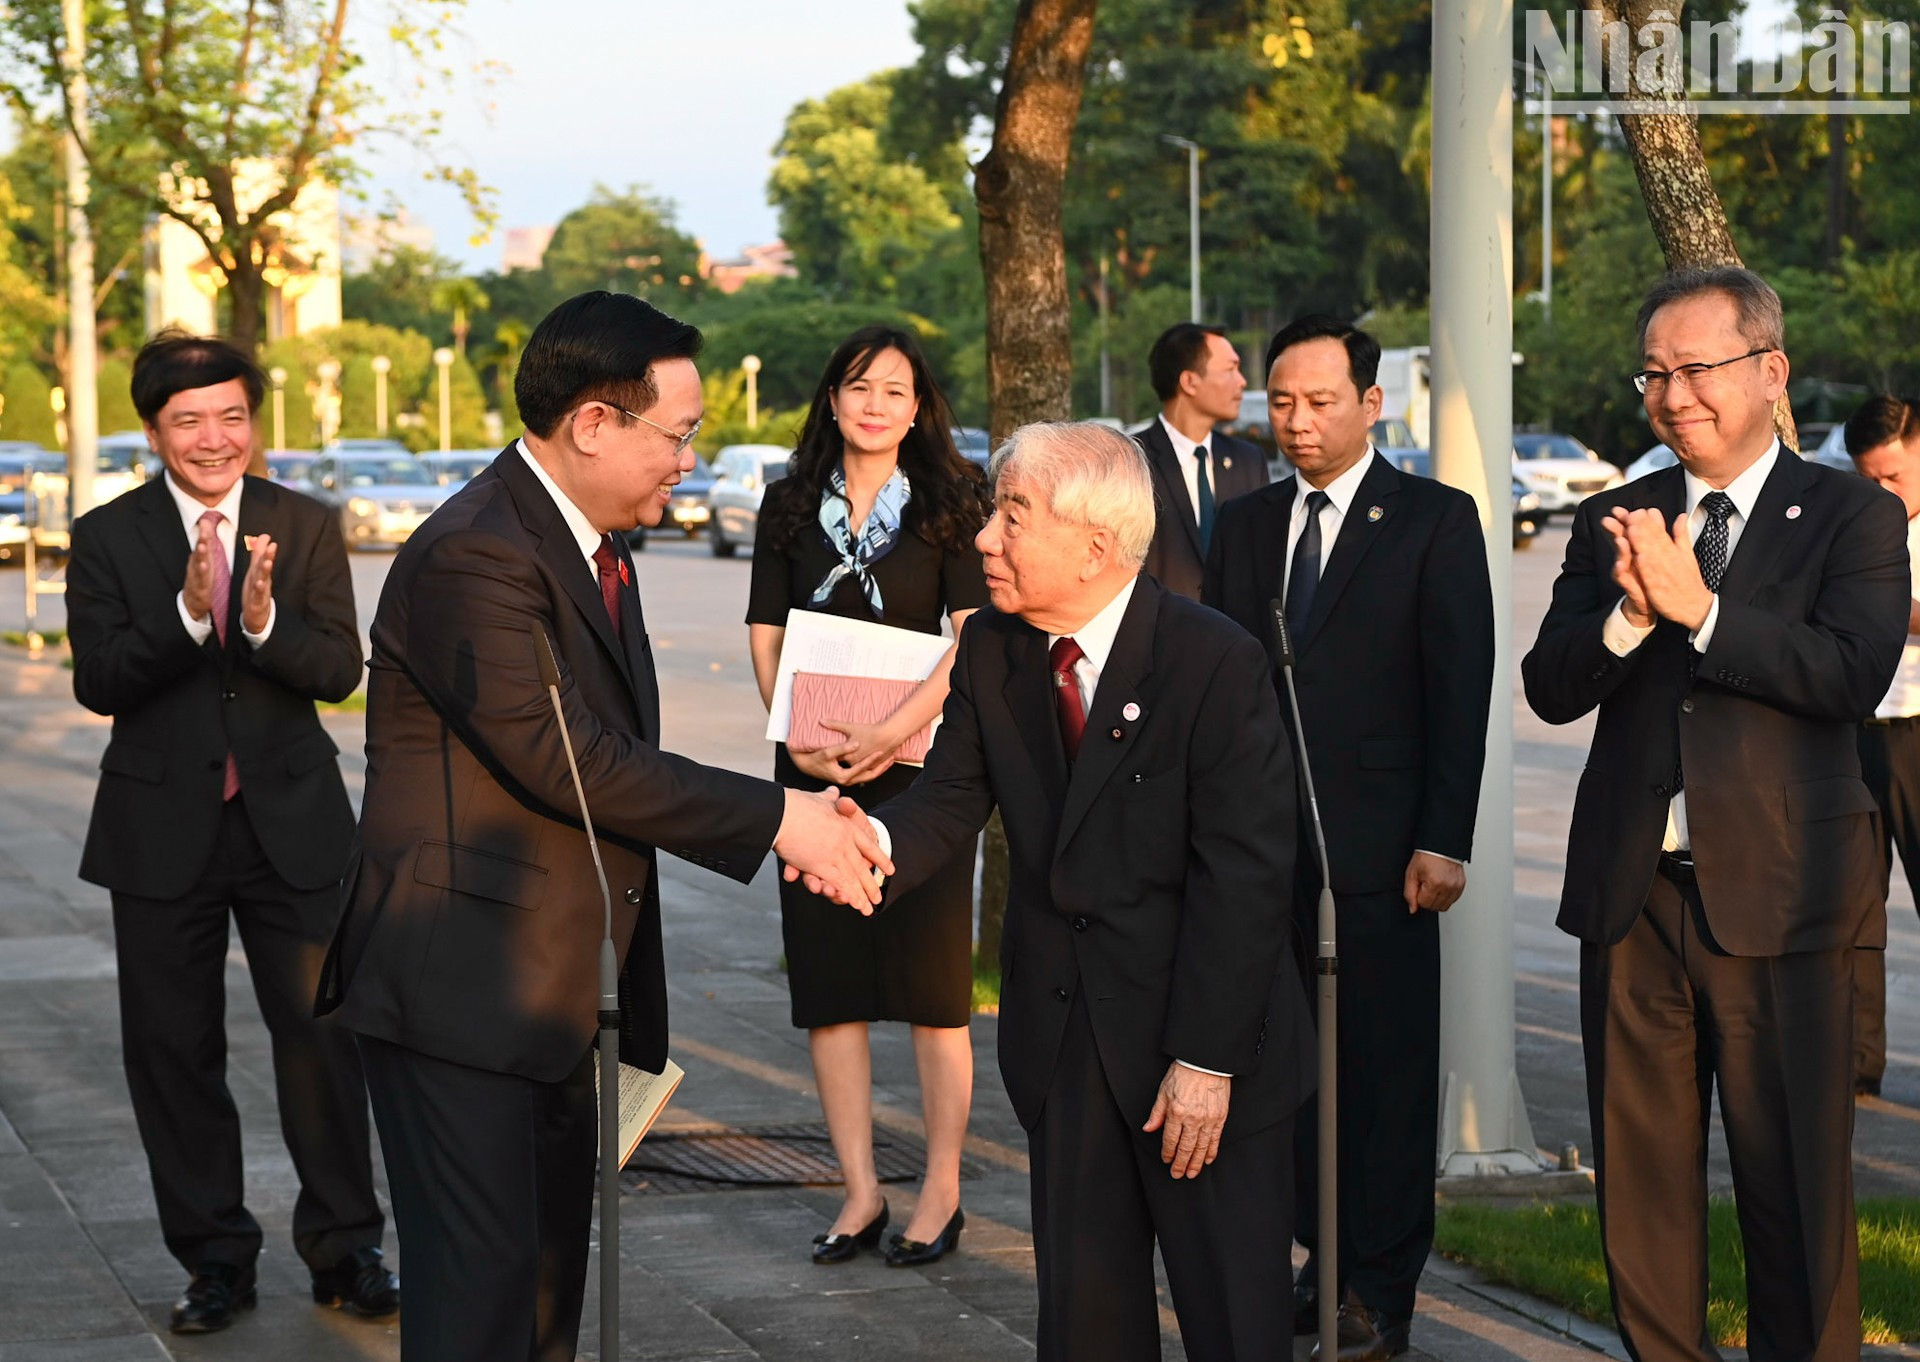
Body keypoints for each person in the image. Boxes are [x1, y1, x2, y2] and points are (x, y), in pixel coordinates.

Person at [315, 291, 890, 1362]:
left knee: (542, 1307)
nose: (688, 460)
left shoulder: (589, 544)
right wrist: (782, 823)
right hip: (463, 1001)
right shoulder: (475, 556)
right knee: (480, 1312)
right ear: (593, 423)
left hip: (554, 995)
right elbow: (572, 760)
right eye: (677, 434)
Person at [836, 420, 1315, 1362]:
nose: (984, 540)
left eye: (1012, 516)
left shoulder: (1213, 660)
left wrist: (1206, 1061)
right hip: (1067, 1043)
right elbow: (949, 799)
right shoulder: (992, 652)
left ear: (1097, 545)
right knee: (1085, 1328)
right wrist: (869, 842)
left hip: (1203, 1047)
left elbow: (1248, 877)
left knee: (1236, 1324)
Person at [1522, 267, 1909, 1362]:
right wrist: (1631, 621)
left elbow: (1847, 675)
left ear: (1769, 371)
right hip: (1634, 896)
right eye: (1654, 373)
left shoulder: (1854, 516)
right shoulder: (1613, 520)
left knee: (1795, 1188)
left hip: (1785, 900)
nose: (1672, 394)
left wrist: (1701, 611)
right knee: (1641, 1196)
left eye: (1696, 368)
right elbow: (1552, 685)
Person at [66, 331, 397, 1335]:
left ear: (254, 420)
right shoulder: (108, 534)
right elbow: (99, 680)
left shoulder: (304, 524)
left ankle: (348, 1250)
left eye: (232, 417)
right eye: (189, 420)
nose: (215, 438)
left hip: (292, 826)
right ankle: (214, 1259)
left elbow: (339, 667)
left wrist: (257, 622)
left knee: (323, 1043)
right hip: (160, 826)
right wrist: (183, 611)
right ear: (156, 430)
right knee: (172, 1051)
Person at [1202, 315, 1495, 1362]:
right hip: (1260, 856)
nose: (1296, 422)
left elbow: (1460, 693)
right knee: (1289, 1073)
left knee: (1383, 1081)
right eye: (1279, 402)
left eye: (1320, 402)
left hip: (1384, 857)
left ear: (1372, 405)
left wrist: (1443, 839)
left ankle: (1380, 1287)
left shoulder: (1432, 519)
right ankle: (1317, 1262)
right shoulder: (1241, 528)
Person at [747, 326, 990, 1265]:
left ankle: (942, 1188)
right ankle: (859, 1193)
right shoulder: (789, 500)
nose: (877, 404)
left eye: (896, 390)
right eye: (860, 387)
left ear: (918, 406)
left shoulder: (951, 502)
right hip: (807, 767)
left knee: (934, 992)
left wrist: (889, 733)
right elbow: (768, 632)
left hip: (922, 774)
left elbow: (967, 636)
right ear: (834, 399)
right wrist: (794, 732)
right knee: (832, 986)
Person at [1844, 393, 1920, 1099]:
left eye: (1894, 478)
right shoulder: (1847, 525)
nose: (1880, 493)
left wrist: (1889, 608)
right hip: (1849, 737)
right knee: (1853, 913)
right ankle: (1856, 1068)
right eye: (1867, 478)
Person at [1137, 322, 1269, 599]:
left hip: (1233, 635)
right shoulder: (1131, 458)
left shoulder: (1248, 461)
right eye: (1230, 369)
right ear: (1189, 381)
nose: (1242, 381)